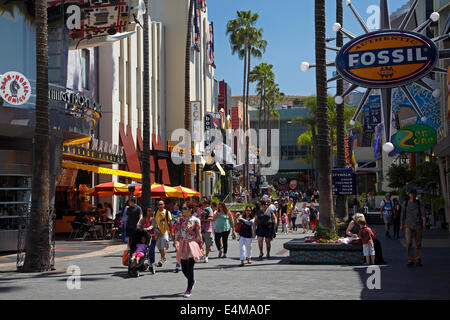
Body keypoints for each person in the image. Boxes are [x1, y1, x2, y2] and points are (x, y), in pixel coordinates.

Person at [174, 201, 203, 298]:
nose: (183, 210)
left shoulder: (196, 220)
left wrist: (200, 246)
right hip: (183, 244)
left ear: (190, 210)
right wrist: (176, 242)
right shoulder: (180, 220)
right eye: (182, 208)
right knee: (184, 268)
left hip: (192, 244)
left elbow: (198, 234)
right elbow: (177, 232)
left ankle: (188, 289)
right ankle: (192, 281)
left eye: (185, 208)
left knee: (190, 267)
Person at [401, 189, 426, 267]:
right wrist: (401, 224)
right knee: (408, 243)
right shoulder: (405, 203)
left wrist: (424, 224)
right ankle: (410, 259)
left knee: (418, 243)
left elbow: (423, 215)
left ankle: (418, 258)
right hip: (408, 225)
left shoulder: (419, 203)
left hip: (418, 225)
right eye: (411, 194)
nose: (412, 195)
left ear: (416, 195)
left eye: (414, 194)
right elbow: (402, 214)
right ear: (409, 195)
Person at [154, 200, 173, 267]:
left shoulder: (167, 212)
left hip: (165, 232)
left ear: (164, 205)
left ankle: (162, 259)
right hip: (158, 232)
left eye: (161, 204)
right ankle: (163, 257)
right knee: (159, 246)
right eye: (159, 204)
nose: (160, 206)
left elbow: (170, 222)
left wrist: (172, 231)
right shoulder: (155, 212)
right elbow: (154, 221)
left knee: (163, 247)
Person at [199, 198, 214, 263]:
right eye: (203, 203)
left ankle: (206, 256)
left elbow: (211, 218)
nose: (203, 204)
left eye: (204, 203)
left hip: (207, 229)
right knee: (200, 243)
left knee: (208, 244)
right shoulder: (201, 209)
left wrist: (204, 220)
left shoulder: (209, 209)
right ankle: (202, 253)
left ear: (207, 204)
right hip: (201, 229)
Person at [142, 208, 156, 274]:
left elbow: (152, 225)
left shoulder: (153, 219)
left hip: (152, 237)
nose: (150, 212)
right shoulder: (143, 219)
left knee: (151, 251)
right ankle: (146, 264)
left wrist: (148, 228)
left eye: (151, 211)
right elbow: (139, 225)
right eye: (149, 211)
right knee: (144, 252)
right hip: (144, 238)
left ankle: (151, 263)